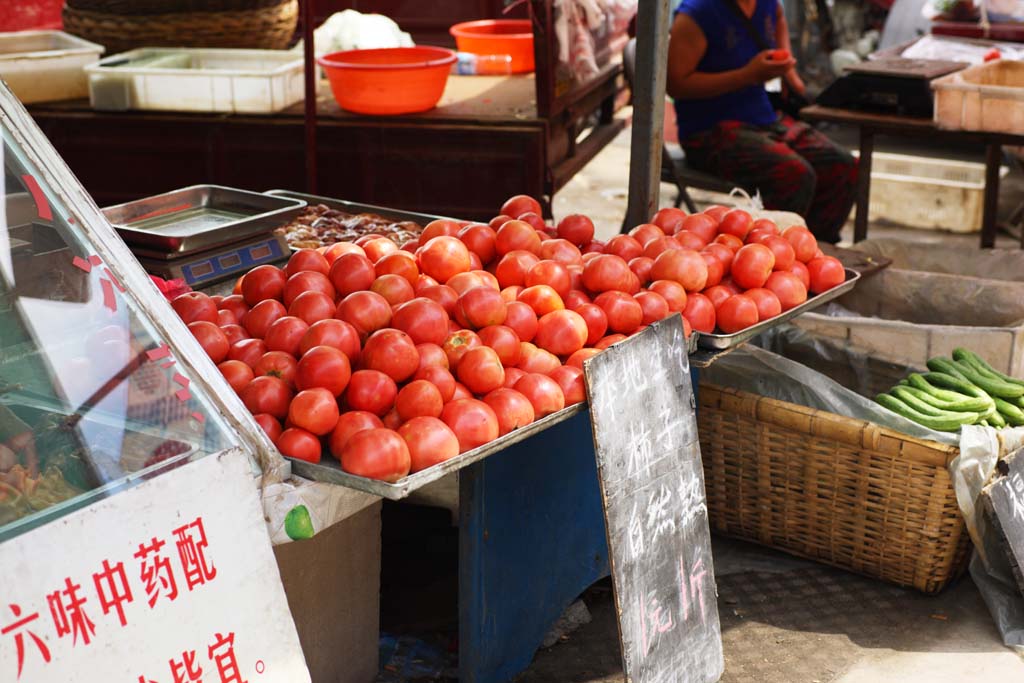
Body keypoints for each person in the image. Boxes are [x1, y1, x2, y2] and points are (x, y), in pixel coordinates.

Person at [666, 0, 858, 243]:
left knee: (844, 166)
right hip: (708, 131)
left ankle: (816, 249)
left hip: (764, 120)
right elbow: (676, 84)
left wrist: (799, 84)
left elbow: (784, 57)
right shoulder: (697, 13)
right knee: (793, 174)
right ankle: (769, 252)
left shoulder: (770, 6)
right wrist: (747, 75)